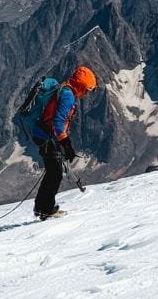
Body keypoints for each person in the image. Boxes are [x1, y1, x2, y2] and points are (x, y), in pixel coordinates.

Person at [32, 65, 97, 220]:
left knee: (53, 171)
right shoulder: (68, 96)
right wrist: (67, 145)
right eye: (87, 90)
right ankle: (46, 209)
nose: (87, 94)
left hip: (44, 134)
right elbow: (58, 124)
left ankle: (42, 207)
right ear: (81, 85)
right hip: (45, 136)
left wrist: (63, 143)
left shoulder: (66, 89)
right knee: (55, 173)